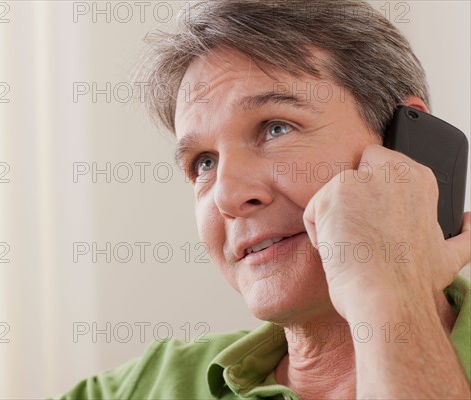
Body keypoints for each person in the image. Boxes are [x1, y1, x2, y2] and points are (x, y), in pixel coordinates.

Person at [60, 0, 471, 398]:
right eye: (204, 163)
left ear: (407, 154)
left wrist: (391, 292)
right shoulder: (140, 388)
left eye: (276, 128)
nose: (228, 195)